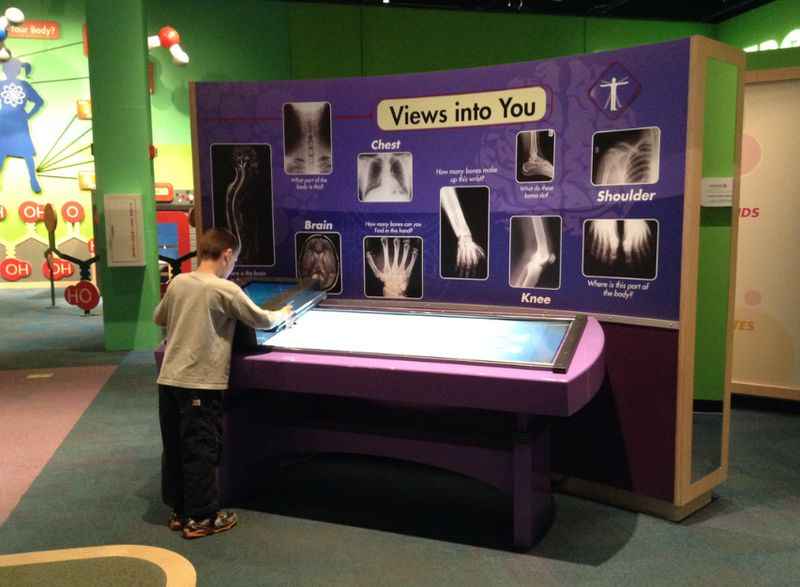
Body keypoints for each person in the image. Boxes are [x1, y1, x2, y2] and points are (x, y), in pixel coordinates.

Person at [154, 228, 292, 539]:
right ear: (227, 255)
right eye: (235, 260)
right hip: (200, 383)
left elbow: (158, 317)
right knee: (201, 447)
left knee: (175, 445)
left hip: (169, 379)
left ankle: (179, 511)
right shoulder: (224, 289)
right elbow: (260, 319)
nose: (233, 266)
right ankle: (202, 517)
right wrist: (283, 312)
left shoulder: (178, 282)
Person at [0, 59, 44, 193]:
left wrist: (28, 115)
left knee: (8, 151)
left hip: (9, 120)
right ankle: (33, 180)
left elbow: (39, 102)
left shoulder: (5, 84)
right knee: (24, 152)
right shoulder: (21, 85)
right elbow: (39, 102)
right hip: (11, 120)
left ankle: (33, 180)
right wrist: (28, 115)